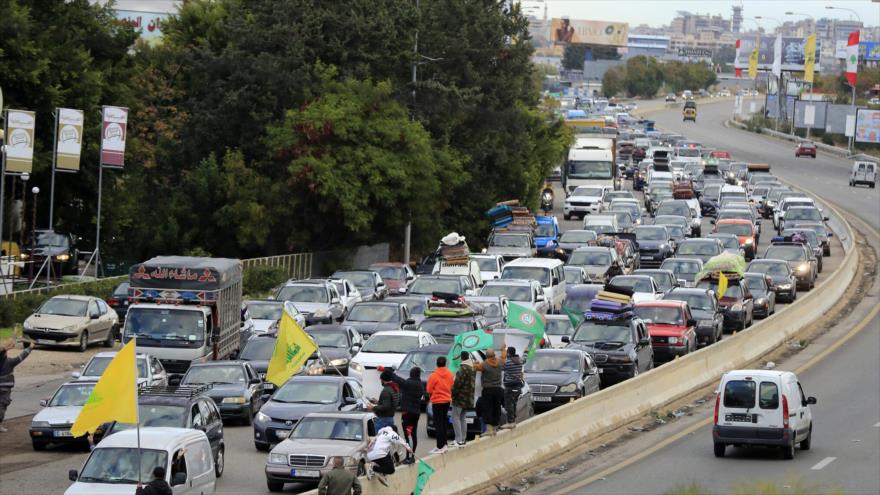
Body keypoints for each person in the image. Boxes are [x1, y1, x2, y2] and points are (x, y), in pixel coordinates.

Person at [383, 366, 424, 464]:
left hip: (407, 413)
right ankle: (412, 456)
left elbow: (395, 378)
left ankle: (408, 457)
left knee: (407, 436)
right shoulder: (420, 385)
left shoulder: (408, 383)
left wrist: (387, 370)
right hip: (416, 413)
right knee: (413, 435)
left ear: (411, 374)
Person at [0, 339, 33, 433]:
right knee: (2, 406)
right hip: (4, 389)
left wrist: (7, 347)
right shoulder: (9, 362)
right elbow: (21, 356)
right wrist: (30, 348)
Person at [474, 345, 507, 436]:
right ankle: (495, 428)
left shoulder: (484, 364)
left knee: (487, 409)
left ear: (487, 356)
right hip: (498, 390)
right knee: (496, 408)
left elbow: (476, 368)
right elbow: (504, 357)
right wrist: (503, 348)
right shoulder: (500, 362)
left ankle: (489, 430)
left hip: (488, 390)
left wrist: (475, 363)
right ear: (494, 355)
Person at [425, 356, 453, 454]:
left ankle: (440, 446)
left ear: (437, 364)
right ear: (445, 363)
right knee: (444, 422)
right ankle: (444, 444)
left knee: (438, 424)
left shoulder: (433, 375)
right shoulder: (450, 374)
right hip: (446, 401)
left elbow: (428, 389)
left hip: (437, 401)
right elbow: (451, 386)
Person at [450, 351, 475, 447]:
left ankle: (458, 439)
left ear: (461, 358)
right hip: (469, 398)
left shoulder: (462, 368)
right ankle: (463, 439)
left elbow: (457, 384)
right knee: (463, 418)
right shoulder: (472, 368)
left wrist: (453, 394)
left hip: (460, 398)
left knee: (455, 417)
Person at [502, 347, 525, 428]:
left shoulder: (507, 363)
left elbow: (501, 367)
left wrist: (502, 353)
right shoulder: (520, 361)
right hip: (518, 386)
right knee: (514, 403)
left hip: (510, 386)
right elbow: (524, 359)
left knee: (509, 405)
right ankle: (513, 420)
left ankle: (510, 422)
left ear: (508, 353)